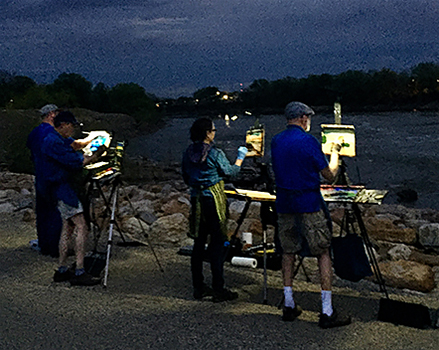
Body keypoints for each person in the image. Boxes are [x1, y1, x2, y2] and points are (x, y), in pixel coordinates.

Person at [271, 101, 351, 328]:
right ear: (304, 118)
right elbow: (329, 176)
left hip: (284, 204)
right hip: (308, 203)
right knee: (322, 251)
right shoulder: (308, 141)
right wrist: (334, 155)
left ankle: (288, 304)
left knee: (288, 251)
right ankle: (327, 311)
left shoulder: (276, 141)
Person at [182, 118, 248, 302]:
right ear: (207, 133)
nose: (215, 133)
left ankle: (199, 287)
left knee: (198, 242)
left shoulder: (187, 153)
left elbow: (186, 177)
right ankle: (219, 288)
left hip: (197, 200)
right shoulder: (215, 153)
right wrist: (241, 158)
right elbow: (230, 172)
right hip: (213, 200)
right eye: (213, 130)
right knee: (218, 243)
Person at [42, 111, 104, 286]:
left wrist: (93, 138)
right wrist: (97, 154)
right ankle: (79, 270)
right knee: (82, 227)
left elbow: (75, 145)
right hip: (62, 189)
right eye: (72, 125)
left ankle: (61, 269)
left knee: (67, 227)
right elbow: (76, 161)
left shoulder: (56, 138)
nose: (73, 129)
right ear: (64, 125)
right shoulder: (52, 142)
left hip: (61, 188)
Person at [27, 104, 63, 257]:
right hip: (52, 177)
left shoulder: (35, 132)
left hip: (40, 176)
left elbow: (30, 149)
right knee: (55, 212)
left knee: (42, 213)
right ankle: (55, 248)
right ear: (51, 115)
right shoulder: (52, 133)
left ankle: (44, 244)